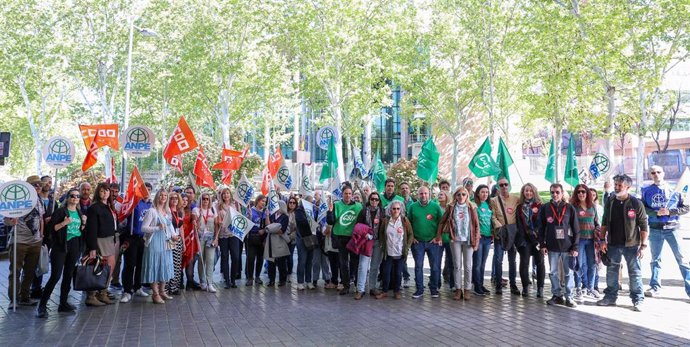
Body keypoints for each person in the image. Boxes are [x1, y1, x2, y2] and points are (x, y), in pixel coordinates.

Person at [597, 174, 648, 311]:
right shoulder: (610, 201)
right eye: (616, 184)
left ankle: (638, 299)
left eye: (620, 185)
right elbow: (604, 222)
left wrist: (643, 246)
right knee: (612, 271)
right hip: (613, 244)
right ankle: (610, 297)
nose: (617, 187)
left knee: (635, 272)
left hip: (632, 245)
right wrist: (602, 240)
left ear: (628, 187)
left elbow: (643, 225)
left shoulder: (636, 203)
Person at [641, 166, 690, 299]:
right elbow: (643, 207)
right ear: (650, 175)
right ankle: (655, 287)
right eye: (653, 173)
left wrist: (671, 212)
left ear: (663, 173)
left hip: (672, 228)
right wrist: (655, 212)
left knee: (682, 260)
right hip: (655, 228)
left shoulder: (676, 190)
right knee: (655, 260)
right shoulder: (646, 190)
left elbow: (686, 207)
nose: (656, 174)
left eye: (658, 172)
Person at [36, 188, 83, 317]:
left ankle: (63, 303)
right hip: (61, 246)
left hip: (74, 245)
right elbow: (52, 228)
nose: (75, 198)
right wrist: (64, 223)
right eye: (72, 195)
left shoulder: (79, 212)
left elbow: (79, 230)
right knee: (55, 276)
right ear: (67, 197)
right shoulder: (61, 211)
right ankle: (42, 306)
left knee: (68, 275)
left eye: (77, 196)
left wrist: (83, 224)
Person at [4, 175, 44, 306]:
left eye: (39, 184)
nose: (38, 187)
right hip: (19, 240)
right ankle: (13, 299)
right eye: (34, 185)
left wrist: (41, 235)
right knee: (15, 271)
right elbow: (6, 220)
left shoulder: (39, 200)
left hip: (35, 241)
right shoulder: (17, 199)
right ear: (28, 186)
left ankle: (25, 297)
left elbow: (41, 218)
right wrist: (11, 221)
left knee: (30, 271)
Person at [539, 183, 580, 308]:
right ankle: (557, 295)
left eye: (557, 192)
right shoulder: (545, 208)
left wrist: (575, 247)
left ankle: (569, 297)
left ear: (562, 193)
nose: (555, 194)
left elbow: (576, 229)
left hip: (567, 247)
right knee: (553, 273)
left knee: (569, 273)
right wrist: (542, 244)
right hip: (552, 247)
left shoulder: (569, 208)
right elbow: (541, 228)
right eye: (552, 192)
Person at [436, 187, 479, 300]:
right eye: (459, 194)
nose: (461, 197)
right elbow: (442, 222)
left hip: (468, 240)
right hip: (455, 239)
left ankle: (468, 289)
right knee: (457, 265)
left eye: (463, 194)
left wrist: (476, 242)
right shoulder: (451, 207)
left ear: (467, 196)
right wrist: (439, 236)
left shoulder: (471, 207)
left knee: (468, 266)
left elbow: (476, 225)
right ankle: (458, 289)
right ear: (455, 195)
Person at [84, 182, 118, 306]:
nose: (105, 193)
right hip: (99, 240)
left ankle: (102, 293)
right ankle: (91, 296)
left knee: (108, 268)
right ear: (98, 193)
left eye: (107, 191)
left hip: (109, 239)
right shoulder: (94, 207)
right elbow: (91, 229)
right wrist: (92, 247)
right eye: (102, 191)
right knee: (97, 267)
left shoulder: (109, 206)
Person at [407, 186, 444, 299]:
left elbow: (442, 223)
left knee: (435, 267)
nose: (423, 195)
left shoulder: (436, 207)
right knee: (418, 266)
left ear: (429, 194)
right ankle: (419, 289)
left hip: (433, 242)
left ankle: (434, 289)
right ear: (418, 195)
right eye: (421, 193)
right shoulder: (412, 207)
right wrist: (412, 237)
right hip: (418, 242)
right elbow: (408, 224)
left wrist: (438, 237)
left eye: (425, 193)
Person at [327, 184, 363, 295]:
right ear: (342, 194)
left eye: (349, 193)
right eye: (345, 193)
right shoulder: (336, 204)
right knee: (343, 263)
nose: (347, 195)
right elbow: (330, 222)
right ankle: (346, 285)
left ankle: (357, 285)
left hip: (354, 238)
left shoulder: (358, 206)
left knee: (355, 263)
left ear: (352, 195)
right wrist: (330, 211)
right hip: (341, 237)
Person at [141, 190, 175, 304]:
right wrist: (157, 227)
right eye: (161, 195)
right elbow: (143, 228)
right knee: (154, 266)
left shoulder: (167, 211)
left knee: (164, 266)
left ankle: (162, 291)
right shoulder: (152, 211)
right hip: (154, 242)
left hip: (165, 242)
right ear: (157, 196)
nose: (163, 197)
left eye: (166, 195)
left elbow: (170, 227)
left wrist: (174, 236)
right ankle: (155, 294)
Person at [121, 183, 153, 303]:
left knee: (141, 264)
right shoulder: (134, 203)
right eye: (145, 190)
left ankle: (138, 286)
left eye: (149, 190)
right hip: (132, 237)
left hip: (143, 238)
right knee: (130, 264)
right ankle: (127, 290)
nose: (147, 192)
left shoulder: (150, 205)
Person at [376, 200, 413, 299]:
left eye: (397, 208)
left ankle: (397, 291)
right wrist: (381, 244)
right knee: (386, 272)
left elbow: (410, 234)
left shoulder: (404, 220)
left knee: (398, 272)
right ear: (390, 210)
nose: (396, 210)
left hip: (400, 252)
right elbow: (381, 233)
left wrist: (407, 246)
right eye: (394, 208)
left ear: (400, 210)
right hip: (388, 252)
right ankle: (384, 291)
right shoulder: (385, 221)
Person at [570, 183, 600, 299]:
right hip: (579, 240)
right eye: (578, 192)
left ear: (587, 193)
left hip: (592, 240)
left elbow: (597, 222)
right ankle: (578, 287)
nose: (581, 194)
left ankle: (590, 288)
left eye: (583, 191)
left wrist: (597, 230)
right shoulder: (573, 207)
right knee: (579, 264)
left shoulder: (592, 206)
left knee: (592, 264)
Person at [490, 177, 520, 295]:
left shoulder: (516, 199)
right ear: (498, 187)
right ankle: (498, 285)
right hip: (500, 233)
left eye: (505, 184)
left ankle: (513, 284)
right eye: (501, 185)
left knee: (512, 261)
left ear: (509, 185)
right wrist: (499, 227)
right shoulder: (494, 200)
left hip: (512, 233)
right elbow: (492, 216)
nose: (504, 187)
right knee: (498, 259)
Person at [516, 183, 545, 298]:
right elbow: (519, 224)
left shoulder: (540, 206)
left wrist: (538, 237)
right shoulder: (519, 207)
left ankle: (540, 288)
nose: (528, 193)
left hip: (537, 239)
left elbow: (543, 223)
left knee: (540, 263)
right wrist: (522, 238)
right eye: (526, 191)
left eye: (530, 191)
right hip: (525, 239)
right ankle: (525, 287)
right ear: (523, 192)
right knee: (524, 263)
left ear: (534, 192)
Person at [354, 191, 384, 300]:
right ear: (369, 200)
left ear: (379, 201)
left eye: (376, 199)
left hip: (377, 242)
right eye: (372, 199)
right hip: (366, 241)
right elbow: (357, 226)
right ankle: (360, 289)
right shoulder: (363, 211)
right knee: (363, 265)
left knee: (375, 266)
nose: (374, 201)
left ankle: (372, 287)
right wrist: (365, 233)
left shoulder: (382, 212)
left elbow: (384, 227)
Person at [32, 175, 57, 299]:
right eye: (46, 182)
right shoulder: (34, 199)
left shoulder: (53, 201)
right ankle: (33, 287)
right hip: (36, 235)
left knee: (42, 261)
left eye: (50, 182)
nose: (48, 184)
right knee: (33, 262)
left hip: (49, 236)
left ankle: (37, 287)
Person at [193, 192, 218, 292]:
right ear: (200, 199)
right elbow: (195, 224)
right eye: (203, 198)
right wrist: (199, 217)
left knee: (210, 260)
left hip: (210, 238)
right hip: (200, 237)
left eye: (207, 199)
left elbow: (217, 225)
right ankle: (202, 282)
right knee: (201, 259)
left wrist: (216, 238)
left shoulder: (213, 210)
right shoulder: (196, 210)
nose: (205, 201)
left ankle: (210, 283)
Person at [215, 187, 239, 289]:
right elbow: (216, 220)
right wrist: (220, 222)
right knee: (224, 257)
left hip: (234, 234)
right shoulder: (218, 206)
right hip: (223, 235)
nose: (226, 195)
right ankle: (227, 280)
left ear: (230, 194)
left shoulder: (235, 205)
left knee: (236, 257)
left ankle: (233, 279)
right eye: (224, 194)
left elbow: (239, 218)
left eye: (228, 193)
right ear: (222, 195)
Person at [472, 184, 493, 296]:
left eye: (486, 192)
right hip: (478, 238)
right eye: (482, 192)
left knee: (483, 263)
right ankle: (476, 286)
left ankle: (480, 284)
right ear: (478, 193)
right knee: (477, 263)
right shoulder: (475, 205)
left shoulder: (489, 205)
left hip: (488, 238)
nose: (485, 194)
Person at [265, 200, 291, 287]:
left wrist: (271, 229)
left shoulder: (285, 217)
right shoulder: (272, 215)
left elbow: (281, 230)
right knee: (271, 262)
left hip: (280, 241)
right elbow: (267, 226)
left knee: (281, 262)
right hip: (271, 241)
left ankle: (282, 280)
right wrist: (267, 216)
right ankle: (271, 280)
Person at [181, 193, 201, 290]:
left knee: (190, 261)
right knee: (178, 262)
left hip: (189, 240)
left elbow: (194, 217)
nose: (184, 202)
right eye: (182, 200)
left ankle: (189, 282)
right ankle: (178, 283)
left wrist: (194, 220)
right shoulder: (174, 211)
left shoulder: (190, 211)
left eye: (186, 200)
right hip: (179, 239)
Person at [294, 196, 315, 290]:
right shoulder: (299, 211)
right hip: (302, 239)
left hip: (312, 238)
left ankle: (308, 281)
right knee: (302, 261)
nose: (311, 203)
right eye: (310, 202)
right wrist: (313, 222)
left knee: (309, 261)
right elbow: (302, 222)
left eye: (312, 202)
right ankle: (300, 282)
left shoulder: (313, 211)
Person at [167, 191, 186, 295]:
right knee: (168, 263)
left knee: (177, 265)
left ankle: (174, 287)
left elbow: (181, 228)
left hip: (178, 240)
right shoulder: (167, 211)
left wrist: (183, 243)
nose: (174, 200)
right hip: (169, 240)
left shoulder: (180, 212)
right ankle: (166, 287)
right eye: (172, 198)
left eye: (176, 198)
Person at [436, 190, 456, 291]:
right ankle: (437, 284)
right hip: (439, 239)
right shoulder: (435, 207)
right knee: (437, 262)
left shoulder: (451, 208)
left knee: (451, 262)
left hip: (450, 239)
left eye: (442, 194)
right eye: (439, 194)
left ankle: (453, 284)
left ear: (447, 196)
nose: (439, 196)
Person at [399, 181, 415, 288]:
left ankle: (406, 277)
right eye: (402, 188)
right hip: (399, 232)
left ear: (409, 189)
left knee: (405, 255)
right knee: (401, 255)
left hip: (410, 232)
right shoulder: (398, 201)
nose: (405, 190)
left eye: (406, 188)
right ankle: (404, 277)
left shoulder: (414, 202)